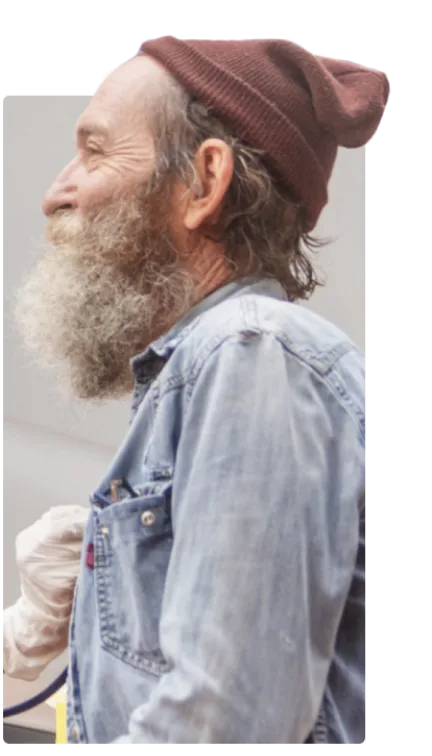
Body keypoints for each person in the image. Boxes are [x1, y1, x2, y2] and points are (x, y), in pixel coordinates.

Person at [4, 36, 382, 744]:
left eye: (95, 151)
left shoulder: (250, 348)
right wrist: (33, 626)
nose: (57, 191)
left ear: (205, 182)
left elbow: (224, 723)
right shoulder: (217, 365)